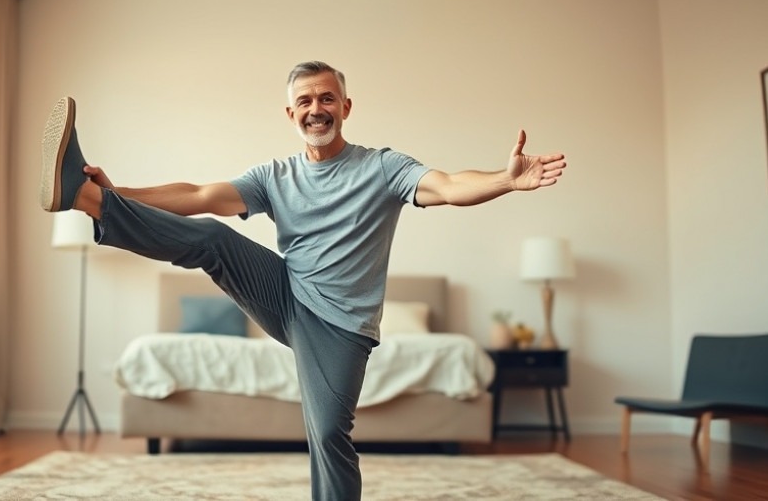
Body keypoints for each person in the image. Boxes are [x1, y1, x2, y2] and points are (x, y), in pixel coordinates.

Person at [38, 61, 566, 500]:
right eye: (307, 101)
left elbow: (448, 185)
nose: (318, 109)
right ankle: (85, 198)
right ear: (291, 113)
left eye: (328, 98)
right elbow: (200, 195)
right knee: (213, 238)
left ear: (346, 106)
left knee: (330, 434)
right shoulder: (276, 176)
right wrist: (117, 193)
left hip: (341, 326)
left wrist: (505, 180)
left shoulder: (383, 168)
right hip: (286, 293)